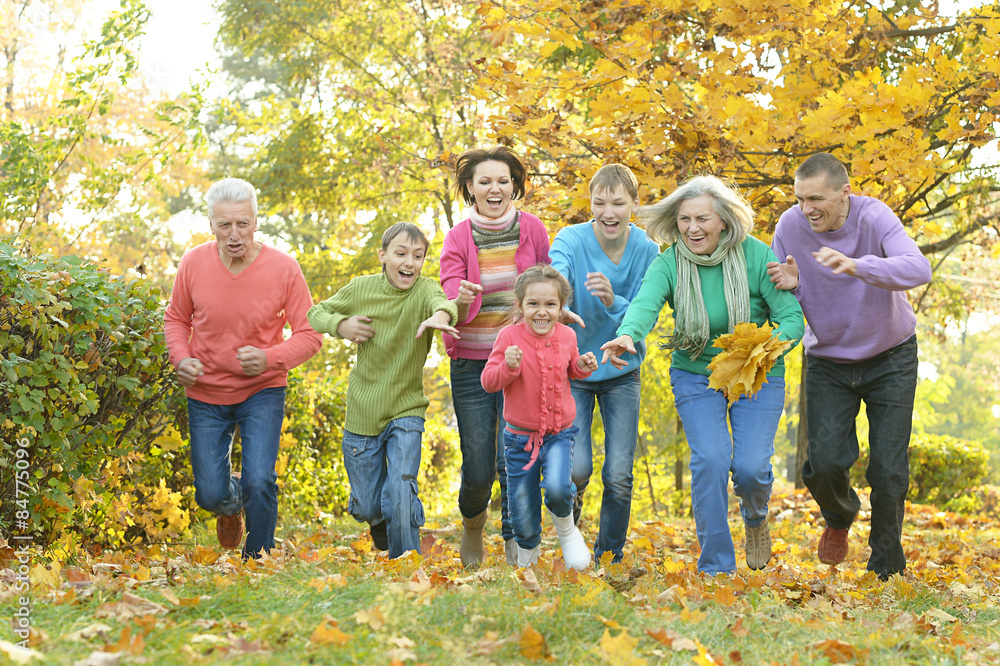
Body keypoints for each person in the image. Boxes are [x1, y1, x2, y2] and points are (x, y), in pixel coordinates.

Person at [602, 176, 804, 575]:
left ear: (724, 221)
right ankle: (716, 567)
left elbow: (791, 319)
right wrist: (627, 334)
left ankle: (755, 516)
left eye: (703, 219)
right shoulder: (669, 263)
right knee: (710, 460)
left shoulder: (757, 256)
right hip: (696, 373)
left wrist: (758, 351)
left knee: (751, 469)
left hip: (757, 373)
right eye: (684, 220)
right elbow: (644, 304)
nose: (693, 228)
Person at [767, 153, 932, 579]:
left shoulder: (874, 217)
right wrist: (792, 286)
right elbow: (780, 296)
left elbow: (919, 268)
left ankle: (886, 569)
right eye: (801, 198)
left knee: (888, 469)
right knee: (822, 463)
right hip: (828, 360)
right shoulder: (789, 226)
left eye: (817, 198)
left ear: (845, 193)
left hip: (891, 356)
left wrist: (859, 266)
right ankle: (840, 517)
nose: (807, 209)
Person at [164, 177, 323, 559]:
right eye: (224, 225)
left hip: (262, 391)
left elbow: (310, 334)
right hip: (206, 393)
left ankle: (259, 559)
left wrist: (270, 358)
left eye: (243, 224)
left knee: (261, 480)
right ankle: (231, 504)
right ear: (211, 225)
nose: (234, 235)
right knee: (210, 495)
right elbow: (175, 320)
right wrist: (180, 358)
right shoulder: (192, 263)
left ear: (255, 220)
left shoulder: (285, 268)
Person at [307, 223, 460, 559]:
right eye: (401, 253)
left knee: (401, 486)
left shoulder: (424, 291)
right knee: (367, 503)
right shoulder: (362, 289)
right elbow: (316, 313)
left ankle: (406, 562)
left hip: (407, 408)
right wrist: (341, 326)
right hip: (363, 410)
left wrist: (438, 316)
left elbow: (445, 304)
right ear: (383, 256)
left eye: (418, 256)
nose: (410, 262)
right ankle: (377, 522)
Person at [440, 146, 552, 567]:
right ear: (470, 187)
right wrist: (461, 297)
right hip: (471, 362)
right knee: (479, 463)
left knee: (516, 458)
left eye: (503, 180)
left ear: (514, 186)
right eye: (484, 181)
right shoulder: (458, 236)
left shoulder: (534, 229)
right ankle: (473, 523)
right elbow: (448, 287)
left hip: (520, 362)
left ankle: (514, 539)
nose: (494, 188)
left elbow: (547, 282)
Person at [550, 164, 659, 564]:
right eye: (599, 202)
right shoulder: (571, 239)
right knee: (576, 469)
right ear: (590, 203)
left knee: (618, 474)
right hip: (576, 369)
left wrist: (615, 302)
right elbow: (557, 275)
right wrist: (558, 304)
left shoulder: (648, 250)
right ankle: (572, 515)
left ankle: (609, 556)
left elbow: (649, 309)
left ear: (634, 204)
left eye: (618, 203)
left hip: (621, 373)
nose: (608, 212)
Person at [481, 265, 599, 569]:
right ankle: (527, 560)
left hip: (559, 434)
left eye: (550, 304)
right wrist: (508, 367)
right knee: (521, 509)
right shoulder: (508, 337)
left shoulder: (568, 336)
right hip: (519, 439)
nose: (542, 312)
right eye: (533, 304)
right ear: (520, 306)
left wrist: (584, 365)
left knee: (560, 489)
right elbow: (489, 381)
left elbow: (571, 369)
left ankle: (568, 532)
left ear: (561, 308)